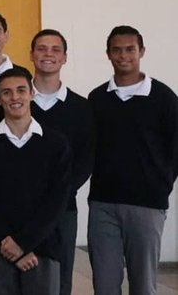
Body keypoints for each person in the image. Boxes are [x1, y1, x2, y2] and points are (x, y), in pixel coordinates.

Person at [87, 25, 178, 295]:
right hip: (103, 204)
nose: (123, 55)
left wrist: (160, 185)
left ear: (142, 52)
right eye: (117, 50)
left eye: (130, 49)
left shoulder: (163, 98)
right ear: (108, 54)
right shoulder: (97, 99)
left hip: (147, 205)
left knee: (143, 285)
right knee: (104, 285)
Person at [0, 68, 71, 295]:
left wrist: (24, 244)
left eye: (21, 90)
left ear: (32, 93)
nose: (14, 97)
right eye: (6, 92)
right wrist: (10, 245)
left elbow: (57, 200)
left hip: (42, 249)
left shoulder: (56, 143)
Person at [29, 29, 94, 295]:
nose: (48, 54)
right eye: (42, 48)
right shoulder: (16, 101)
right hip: (19, 209)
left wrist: (58, 195)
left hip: (63, 209)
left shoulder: (81, 107)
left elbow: (85, 160)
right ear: (31, 54)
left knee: (60, 279)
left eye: (55, 49)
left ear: (65, 57)